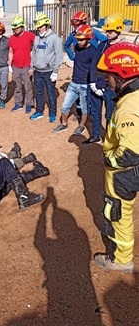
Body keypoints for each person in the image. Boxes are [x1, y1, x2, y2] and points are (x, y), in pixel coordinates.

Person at [93, 42, 139, 273]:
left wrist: (110, 160)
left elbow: (131, 151)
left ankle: (121, 260)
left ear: (123, 75)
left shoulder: (128, 107)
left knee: (118, 213)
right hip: (129, 171)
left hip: (123, 173)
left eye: (110, 76)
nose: (107, 82)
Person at [83, 14, 124, 145]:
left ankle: (109, 140)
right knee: (95, 113)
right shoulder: (102, 45)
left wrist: (111, 85)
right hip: (97, 85)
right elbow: (94, 64)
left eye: (110, 31)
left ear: (118, 30)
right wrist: (93, 82)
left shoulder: (124, 48)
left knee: (110, 115)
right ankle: (95, 136)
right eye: (106, 30)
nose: (107, 33)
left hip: (112, 88)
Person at [53, 25, 96, 135]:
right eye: (78, 39)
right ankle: (64, 124)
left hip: (84, 85)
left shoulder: (93, 52)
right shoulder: (77, 47)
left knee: (84, 108)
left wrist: (92, 83)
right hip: (73, 83)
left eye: (81, 39)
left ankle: (81, 126)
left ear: (88, 38)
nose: (79, 42)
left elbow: (93, 69)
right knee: (65, 106)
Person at [64, 11, 107, 119]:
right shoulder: (74, 34)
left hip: (92, 66)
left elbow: (106, 42)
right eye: (75, 25)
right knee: (79, 93)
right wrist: (70, 54)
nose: (76, 28)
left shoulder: (93, 32)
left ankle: (91, 114)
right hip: (80, 67)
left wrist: (99, 55)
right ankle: (80, 113)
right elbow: (66, 45)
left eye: (78, 25)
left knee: (91, 91)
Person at [29, 13, 63, 123]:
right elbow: (34, 53)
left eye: (41, 26)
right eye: (38, 27)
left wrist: (55, 71)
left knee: (51, 93)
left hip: (49, 71)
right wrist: (32, 66)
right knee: (38, 92)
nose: (39, 29)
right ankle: (39, 111)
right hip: (38, 71)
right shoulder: (36, 38)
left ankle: (52, 113)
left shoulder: (55, 38)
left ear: (46, 25)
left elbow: (59, 55)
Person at [8, 15, 35, 113]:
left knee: (28, 86)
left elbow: (38, 43)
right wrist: (9, 65)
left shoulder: (29, 35)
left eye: (17, 28)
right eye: (14, 28)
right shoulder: (11, 38)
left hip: (26, 65)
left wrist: (34, 56)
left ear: (22, 26)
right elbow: (11, 52)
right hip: (16, 66)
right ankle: (18, 104)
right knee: (17, 86)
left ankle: (29, 103)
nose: (15, 30)